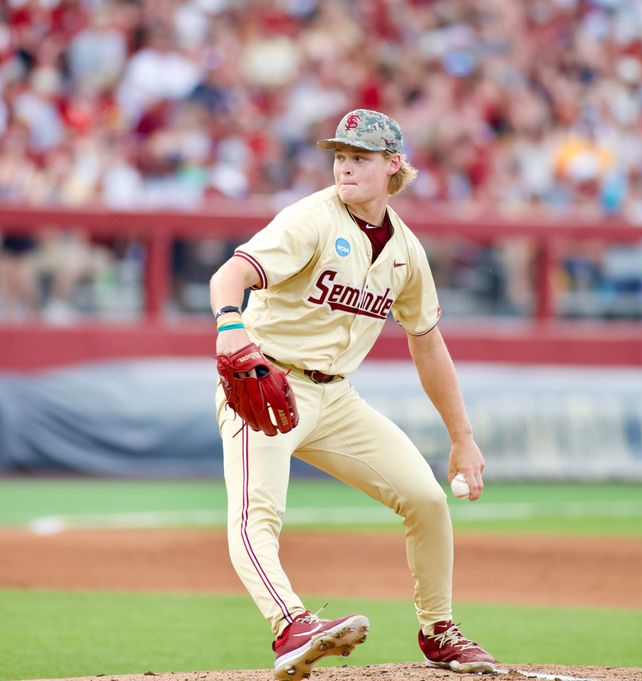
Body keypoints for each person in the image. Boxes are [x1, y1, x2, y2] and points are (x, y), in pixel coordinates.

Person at [209, 109, 496, 680]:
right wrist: (230, 326)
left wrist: (462, 438)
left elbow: (428, 344)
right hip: (267, 386)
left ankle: (438, 630)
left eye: (360, 157)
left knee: (427, 500)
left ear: (393, 166)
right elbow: (228, 277)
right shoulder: (310, 219)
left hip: (336, 398)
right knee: (254, 514)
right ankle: (290, 624)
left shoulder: (407, 251)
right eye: (340, 156)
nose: (345, 166)